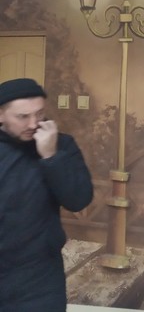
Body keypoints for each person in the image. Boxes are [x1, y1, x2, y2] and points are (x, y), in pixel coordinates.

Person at [0, 78, 93, 312]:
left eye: (39, 114)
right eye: (23, 116)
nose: (34, 123)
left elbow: (78, 200)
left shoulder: (62, 145)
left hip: (40, 277)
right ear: (1, 115)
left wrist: (51, 157)